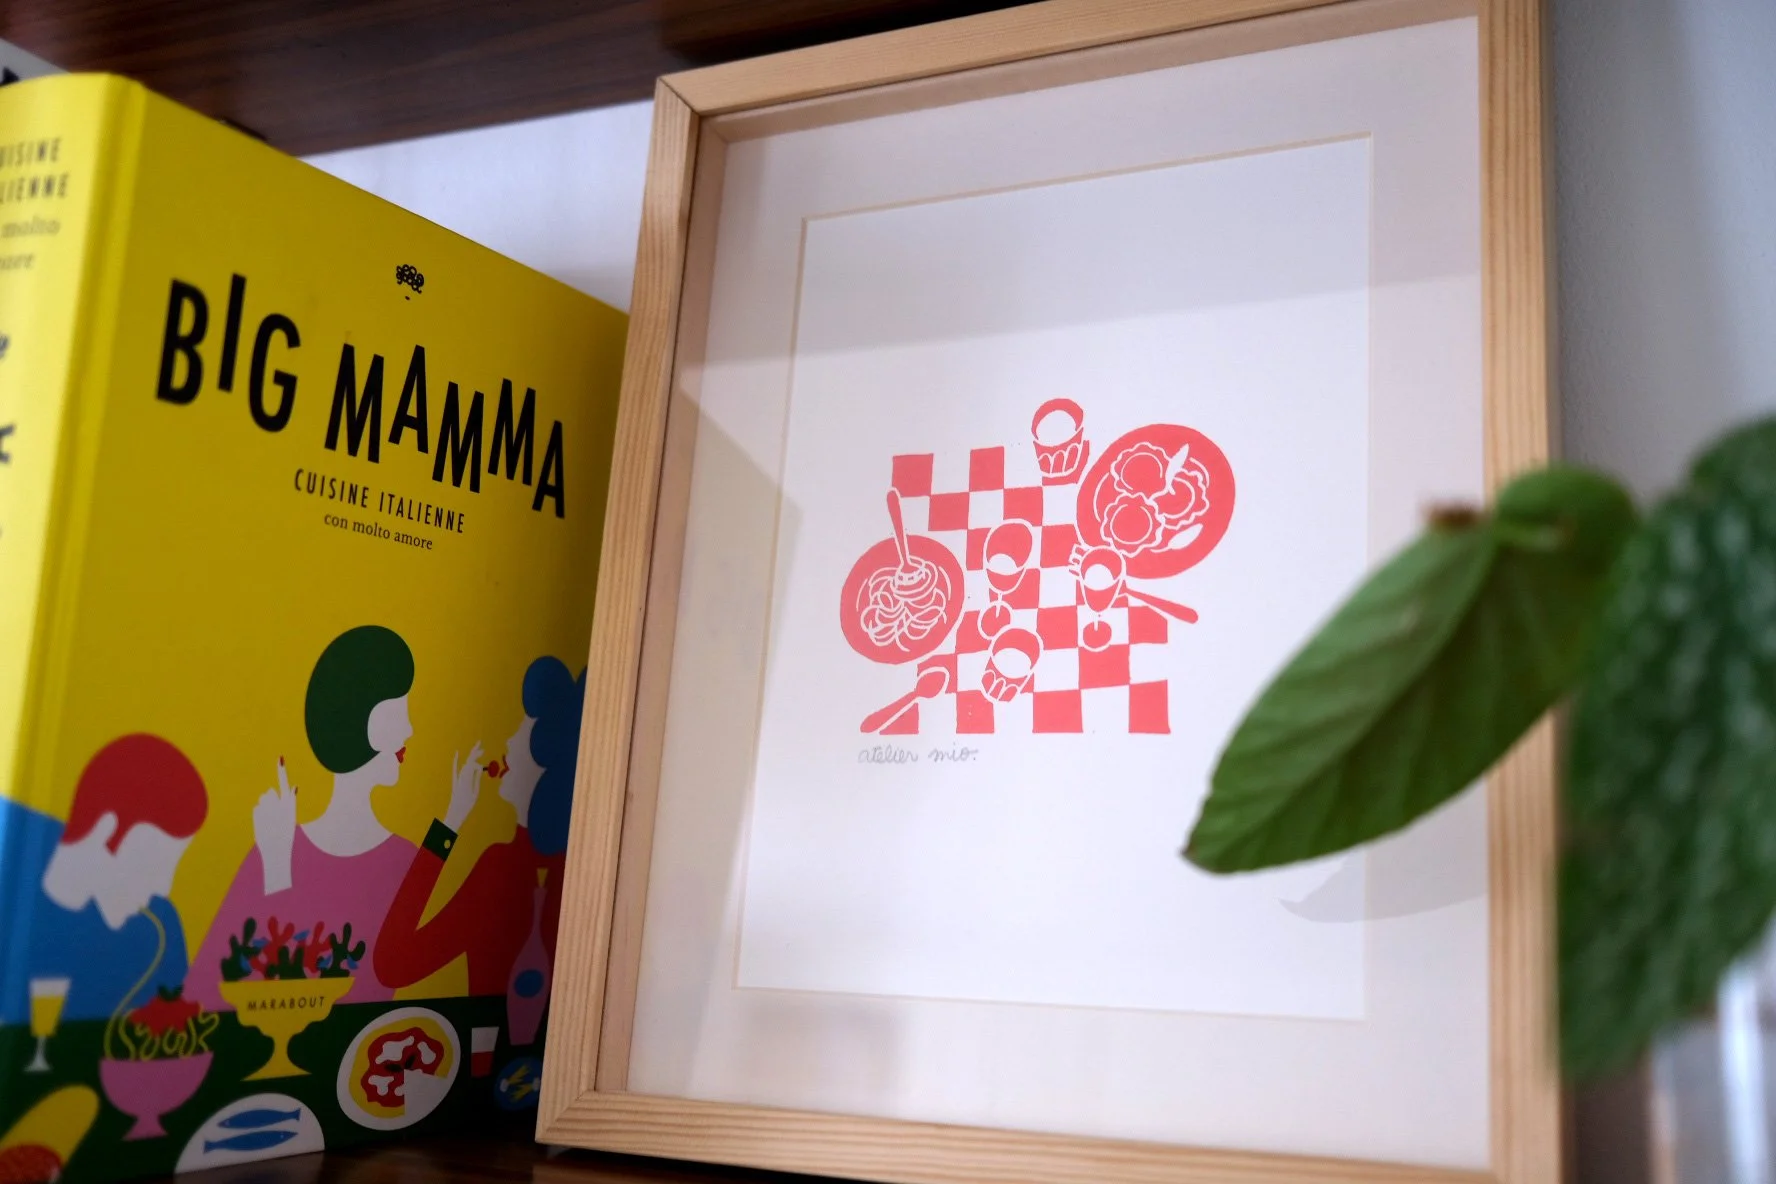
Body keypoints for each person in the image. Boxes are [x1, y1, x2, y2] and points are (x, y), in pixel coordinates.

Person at [189, 625, 455, 1007]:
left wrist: (453, 821)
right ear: (356, 720)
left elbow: (413, 965)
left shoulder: (404, 856)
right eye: (396, 712)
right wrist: (277, 869)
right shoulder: (277, 848)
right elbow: (210, 995)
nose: (410, 728)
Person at [373, 657, 582, 996]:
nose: (509, 743)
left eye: (523, 730)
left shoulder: (499, 866)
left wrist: (451, 822)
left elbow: (393, 962)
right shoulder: (572, 866)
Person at [0, 735, 207, 1026]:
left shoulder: (158, 929)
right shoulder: (16, 851)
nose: (164, 886)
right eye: (154, 862)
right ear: (104, 829)